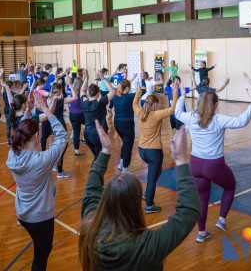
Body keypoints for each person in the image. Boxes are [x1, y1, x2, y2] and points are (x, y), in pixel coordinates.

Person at [79, 120, 200, 270]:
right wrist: (181, 160)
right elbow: (188, 212)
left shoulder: (91, 227)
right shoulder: (148, 246)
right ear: (135, 204)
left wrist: (105, 152)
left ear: (107, 200)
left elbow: (91, 190)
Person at [175, 89, 251, 242]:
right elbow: (242, 121)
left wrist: (181, 95)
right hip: (213, 165)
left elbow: (177, 113)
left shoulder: (191, 117)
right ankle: (221, 220)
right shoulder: (219, 119)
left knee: (202, 198)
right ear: (215, 104)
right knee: (230, 186)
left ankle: (201, 233)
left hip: (195, 164)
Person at [6, 93, 68, 271]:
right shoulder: (42, 160)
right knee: (41, 257)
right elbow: (62, 136)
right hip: (40, 218)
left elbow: (21, 130)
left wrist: (28, 112)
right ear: (36, 136)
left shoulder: (13, 154)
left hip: (23, 214)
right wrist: (46, 110)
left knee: (39, 246)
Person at [133, 81, 178, 213]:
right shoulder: (156, 114)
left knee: (156, 172)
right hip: (154, 152)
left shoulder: (140, 113)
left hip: (142, 150)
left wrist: (139, 91)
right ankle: (149, 206)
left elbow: (134, 104)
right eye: (157, 104)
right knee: (152, 180)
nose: (158, 106)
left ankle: (147, 194)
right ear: (153, 105)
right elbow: (172, 109)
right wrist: (175, 92)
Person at [80, 70, 115, 159]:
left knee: (96, 157)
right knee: (99, 159)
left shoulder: (85, 103)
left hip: (87, 133)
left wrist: (86, 78)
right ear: (98, 92)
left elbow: (82, 90)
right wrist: (103, 78)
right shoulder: (100, 103)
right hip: (97, 133)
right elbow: (112, 92)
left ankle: (93, 172)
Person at [112, 79, 136, 173]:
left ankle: (121, 163)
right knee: (128, 145)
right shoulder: (129, 97)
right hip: (127, 124)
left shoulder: (115, 96)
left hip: (117, 123)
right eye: (129, 87)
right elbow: (143, 91)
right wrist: (142, 81)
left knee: (125, 143)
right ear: (126, 88)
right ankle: (125, 168)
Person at [66, 76, 85, 157]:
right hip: (79, 114)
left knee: (76, 133)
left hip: (72, 115)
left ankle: (77, 152)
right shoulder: (81, 92)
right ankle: (85, 140)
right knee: (91, 123)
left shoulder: (71, 91)